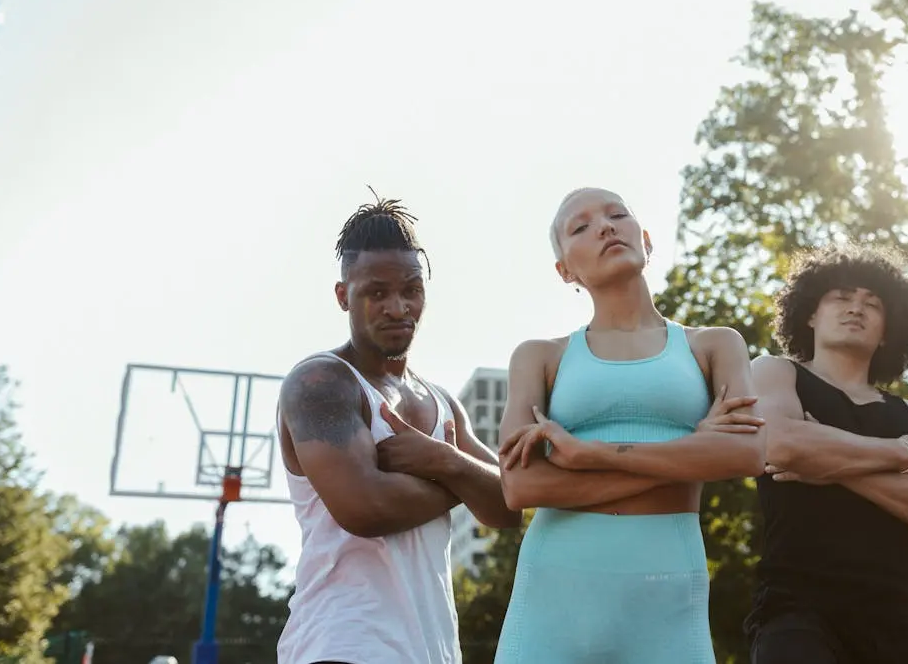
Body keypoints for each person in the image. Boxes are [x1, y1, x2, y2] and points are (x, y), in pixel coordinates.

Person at [493, 186, 766, 664]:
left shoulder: (715, 346)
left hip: (667, 598)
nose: (604, 226)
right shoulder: (539, 356)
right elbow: (520, 485)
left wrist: (589, 455)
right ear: (565, 271)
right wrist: (694, 449)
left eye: (617, 215)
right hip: (552, 597)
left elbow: (746, 454)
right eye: (581, 227)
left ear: (645, 238)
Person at [276, 194, 520, 664]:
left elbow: (509, 508)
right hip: (343, 642)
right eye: (377, 292)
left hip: (433, 649)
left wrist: (444, 461)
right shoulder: (321, 383)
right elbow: (365, 509)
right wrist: (458, 480)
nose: (397, 306)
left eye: (411, 289)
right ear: (344, 295)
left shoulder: (442, 402)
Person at [746, 242, 908, 664]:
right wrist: (896, 457)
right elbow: (778, 444)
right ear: (811, 312)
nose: (856, 308)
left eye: (873, 304)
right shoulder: (775, 372)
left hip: (897, 623)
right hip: (797, 612)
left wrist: (828, 461)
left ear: (888, 329)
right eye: (842, 297)